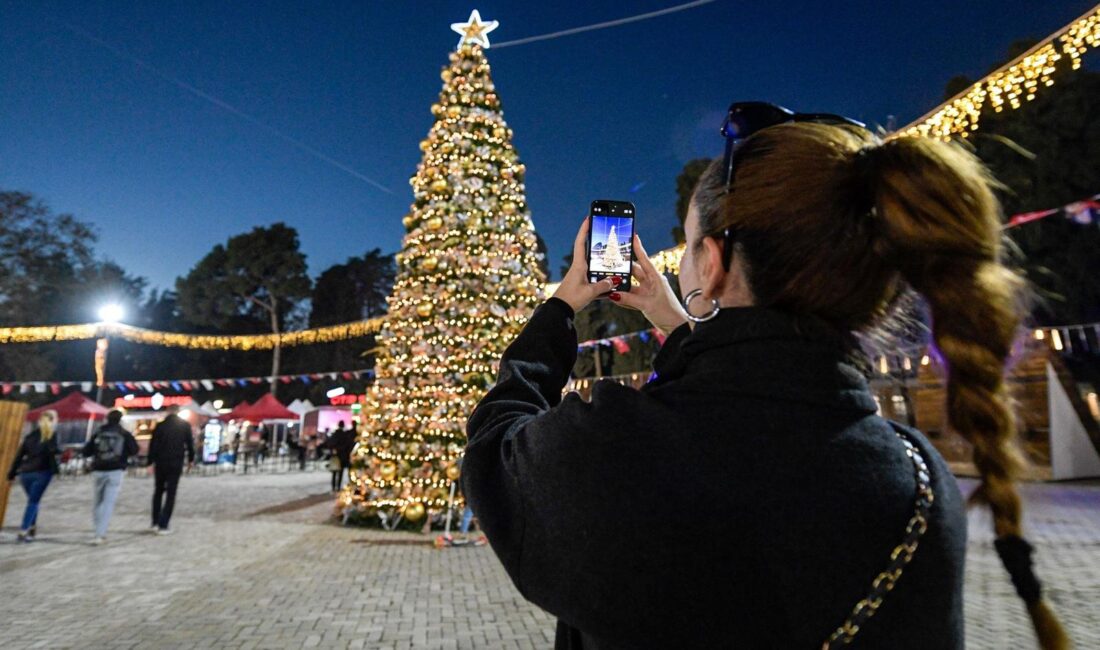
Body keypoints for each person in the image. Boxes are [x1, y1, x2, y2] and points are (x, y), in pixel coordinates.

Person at [463, 104, 1068, 649]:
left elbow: (495, 444)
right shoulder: (919, 482)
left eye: (693, 242)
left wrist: (563, 304)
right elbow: (750, 383)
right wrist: (669, 315)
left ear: (715, 260)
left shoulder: (615, 450)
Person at [82, 409, 139, 545]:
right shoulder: (124, 433)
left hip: (98, 469)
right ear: (120, 419)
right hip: (115, 470)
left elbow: (86, 451)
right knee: (108, 502)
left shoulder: (98, 432)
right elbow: (134, 450)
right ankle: (100, 534)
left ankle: (97, 530)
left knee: (98, 501)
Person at [6, 410, 59, 542]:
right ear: (53, 421)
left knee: (33, 500)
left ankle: (32, 527)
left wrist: (12, 472)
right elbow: (52, 452)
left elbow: (19, 456)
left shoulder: (30, 436)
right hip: (42, 472)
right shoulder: (51, 435)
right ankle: (24, 529)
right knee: (33, 501)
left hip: (25, 473)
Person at [147, 405, 194, 535]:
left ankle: (155, 522)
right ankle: (164, 524)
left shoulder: (160, 425)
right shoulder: (185, 425)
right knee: (171, 493)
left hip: (161, 462)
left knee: (158, 491)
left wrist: (150, 462)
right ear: (178, 412)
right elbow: (189, 444)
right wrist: (191, 459)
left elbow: (153, 445)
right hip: (175, 462)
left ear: (168, 412)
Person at [325, 421, 356, 492]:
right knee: (340, 472)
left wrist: (333, 450)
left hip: (336, 456)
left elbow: (329, 444)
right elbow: (348, 445)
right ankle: (338, 487)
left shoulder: (335, 434)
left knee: (334, 472)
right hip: (343, 456)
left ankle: (333, 487)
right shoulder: (345, 435)